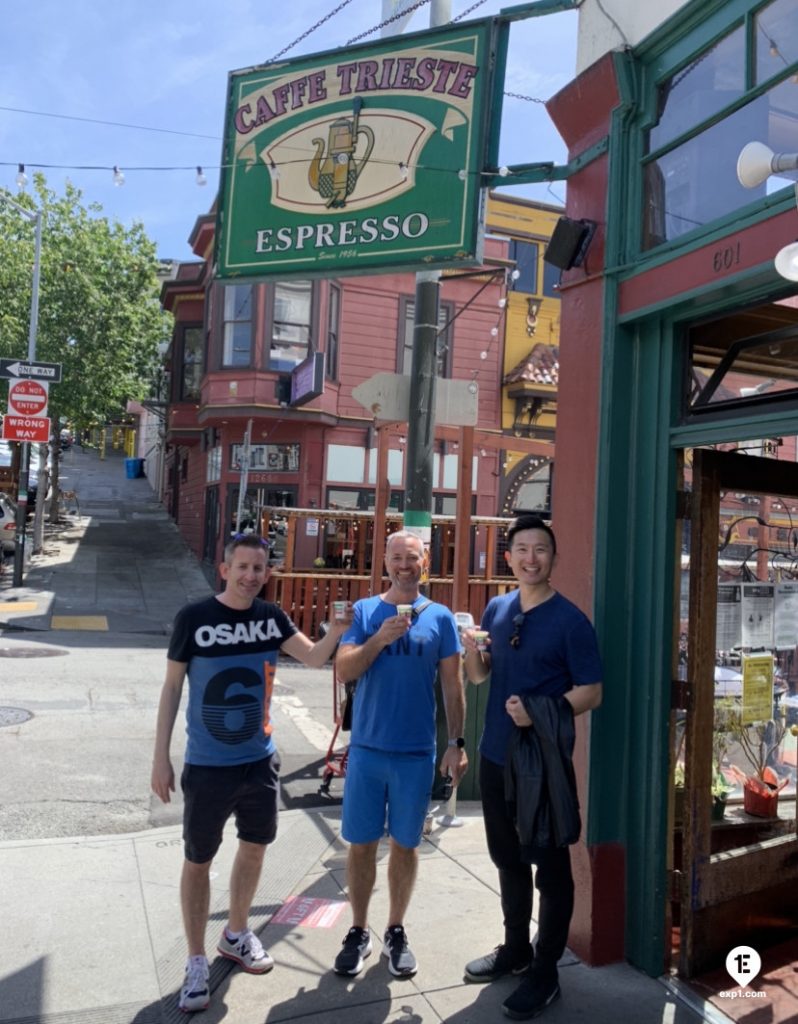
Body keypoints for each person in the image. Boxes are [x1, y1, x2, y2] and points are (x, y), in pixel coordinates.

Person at [151, 533, 349, 1014]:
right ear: (224, 569)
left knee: (255, 848)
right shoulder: (195, 619)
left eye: (259, 568)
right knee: (198, 859)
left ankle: (236, 934)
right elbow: (172, 687)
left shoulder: (271, 618)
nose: (250, 576)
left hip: (259, 760)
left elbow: (313, 657)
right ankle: (195, 960)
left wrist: (339, 630)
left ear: (267, 572)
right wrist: (161, 757)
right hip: (207, 765)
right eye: (242, 567)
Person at [461, 514, 602, 1021]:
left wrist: (541, 709)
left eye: (540, 549)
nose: (530, 558)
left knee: (551, 867)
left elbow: (591, 692)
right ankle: (516, 949)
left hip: (541, 765)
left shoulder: (571, 621)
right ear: (509, 558)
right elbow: (481, 676)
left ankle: (545, 973)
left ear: (553, 558)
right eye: (521, 549)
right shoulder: (497, 608)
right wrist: (471, 651)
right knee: (508, 860)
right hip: (495, 756)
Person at [332, 529, 468, 979]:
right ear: (385, 562)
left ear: (425, 562)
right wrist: (379, 640)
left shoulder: (440, 618)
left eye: (412, 558)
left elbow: (453, 686)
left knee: (406, 845)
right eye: (397, 558)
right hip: (368, 750)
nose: (405, 566)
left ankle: (395, 928)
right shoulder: (365, 612)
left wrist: (457, 744)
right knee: (361, 845)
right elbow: (343, 669)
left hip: (415, 753)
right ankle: (358, 929)